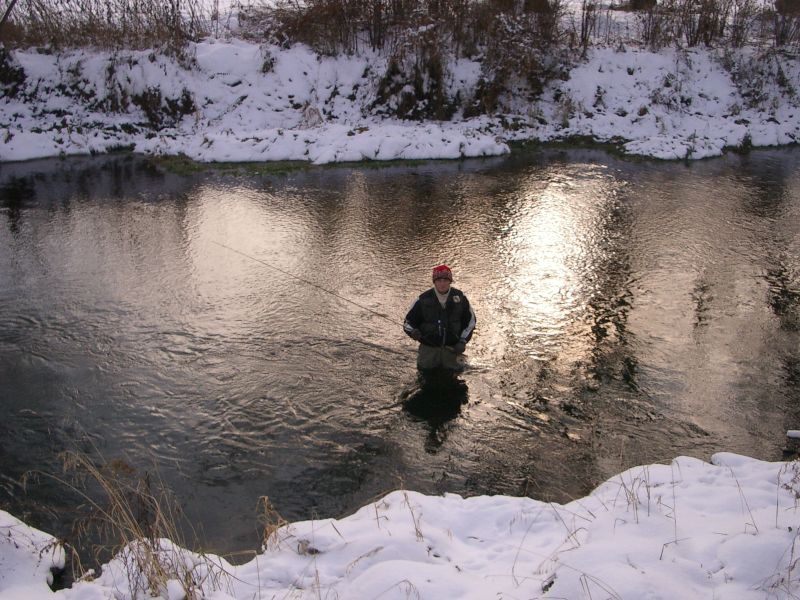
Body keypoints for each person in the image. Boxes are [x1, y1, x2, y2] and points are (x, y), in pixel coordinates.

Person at [403, 264, 476, 371]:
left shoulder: (461, 298)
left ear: (450, 281)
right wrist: (413, 332)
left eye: (445, 280)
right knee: (424, 373)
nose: (442, 284)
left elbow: (471, 322)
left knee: (453, 375)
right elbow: (407, 323)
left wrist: (462, 341)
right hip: (428, 350)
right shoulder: (422, 299)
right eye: (439, 280)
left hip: (453, 349)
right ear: (434, 282)